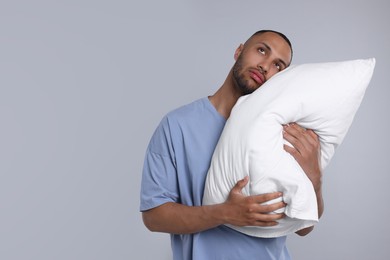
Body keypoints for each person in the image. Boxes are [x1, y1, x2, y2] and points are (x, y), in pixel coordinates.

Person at [140, 30, 324, 260]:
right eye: (261, 50)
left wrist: (315, 180)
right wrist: (224, 213)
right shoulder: (177, 125)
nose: (266, 66)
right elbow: (154, 216)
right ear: (239, 51)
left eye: (278, 65)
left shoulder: (283, 134)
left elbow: (304, 227)